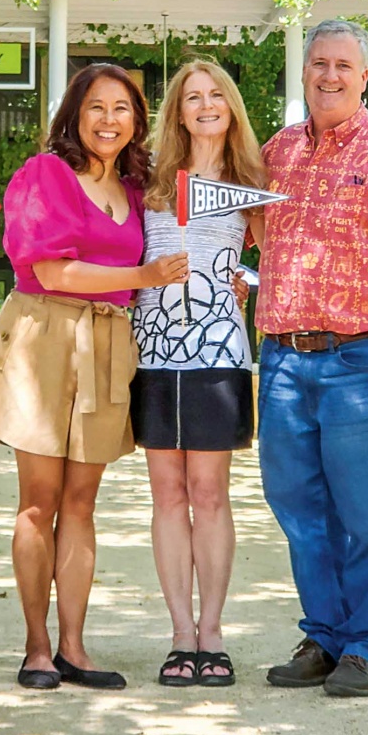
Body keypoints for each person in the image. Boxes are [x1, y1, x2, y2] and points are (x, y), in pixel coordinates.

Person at [0, 64, 188, 691]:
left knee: (82, 504)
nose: (109, 119)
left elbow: (171, 255)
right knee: (39, 502)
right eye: (96, 106)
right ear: (74, 113)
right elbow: (55, 271)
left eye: (123, 109)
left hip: (109, 342)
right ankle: (36, 649)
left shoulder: (140, 189)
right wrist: (146, 279)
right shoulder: (46, 174)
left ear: (138, 122)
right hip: (44, 336)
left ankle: (74, 647)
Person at [255, 19, 368, 698]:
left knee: (367, 511)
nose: (329, 75)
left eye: (343, 65)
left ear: (363, 77)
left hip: (361, 359)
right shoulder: (276, 154)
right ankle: (325, 635)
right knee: (297, 503)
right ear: (303, 73)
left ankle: (367, 645)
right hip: (282, 362)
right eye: (318, 64)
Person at [130, 61, 264, 688]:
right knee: (168, 494)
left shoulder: (252, 180)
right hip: (153, 354)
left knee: (209, 494)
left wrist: (249, 280)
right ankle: (179, 634)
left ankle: (212, 634)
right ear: (178, 111)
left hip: (218, 352)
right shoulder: (148, 179)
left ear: (231, 107)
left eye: (216, 96)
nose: (206, 105)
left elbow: (284, 257)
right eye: (193, 97)